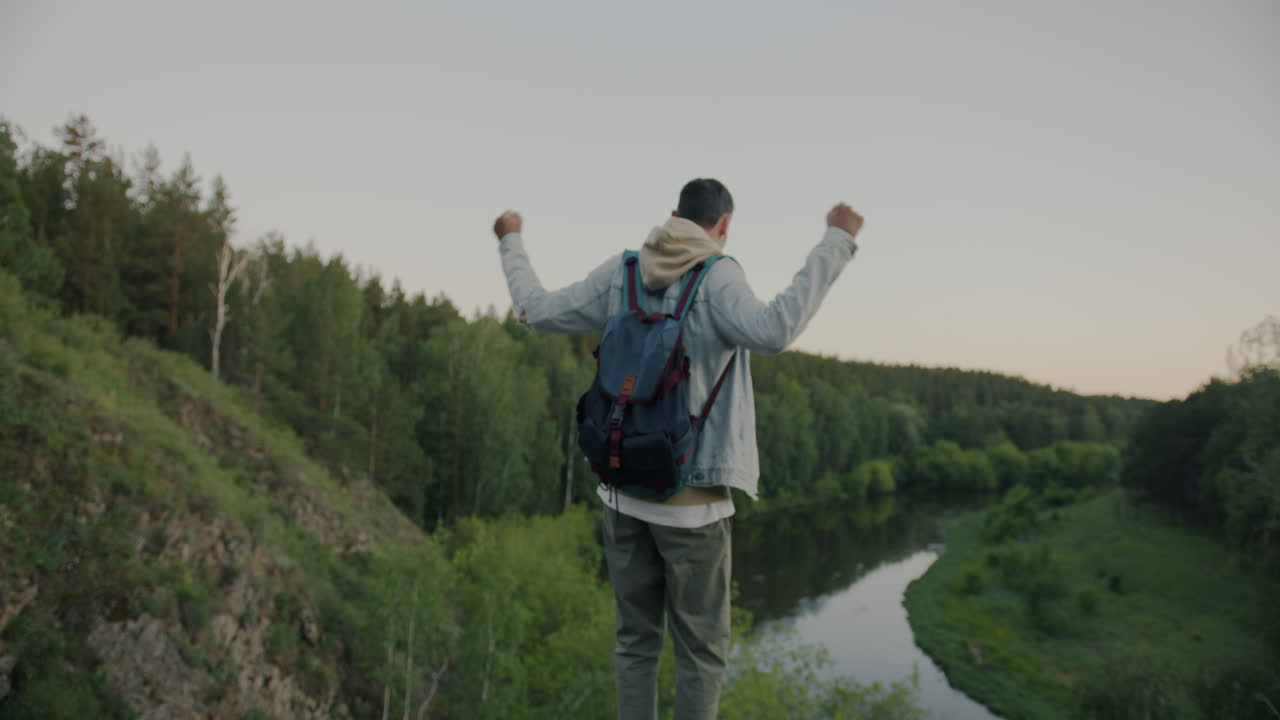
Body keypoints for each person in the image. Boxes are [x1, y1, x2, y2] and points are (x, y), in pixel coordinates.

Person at [492, 179, 863, 720]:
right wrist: (836, 240)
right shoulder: (718, 273)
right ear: (724, 225)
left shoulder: (622, 274)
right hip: (693, 507)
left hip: (621, 492)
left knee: (635, 643)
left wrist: (511, 241)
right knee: (702, 654)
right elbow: (776, 328)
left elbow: (536, 310)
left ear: (671, 216)